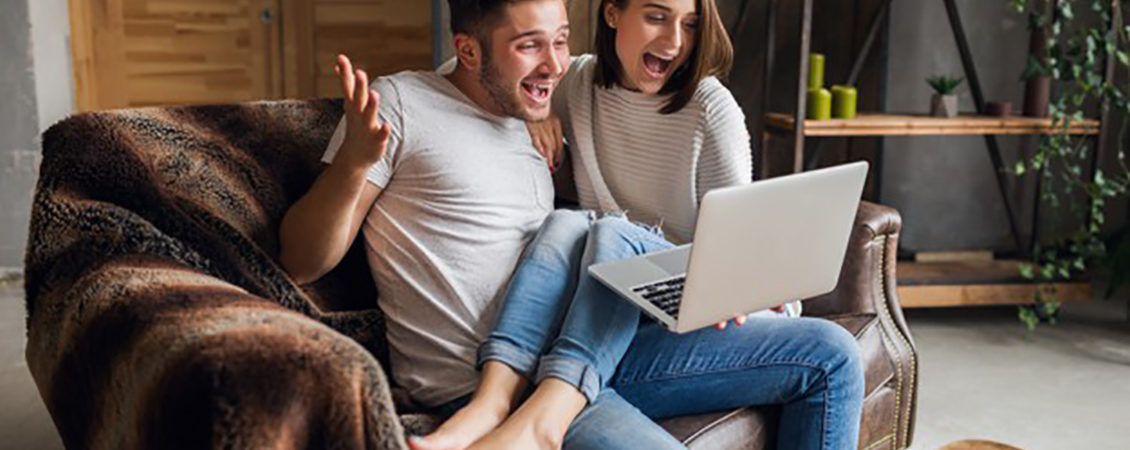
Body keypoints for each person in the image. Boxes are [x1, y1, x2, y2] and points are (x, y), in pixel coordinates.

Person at [416, 0, 865, 449]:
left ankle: (549, 406)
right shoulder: (576, 81)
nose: (674, 42)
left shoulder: (712, 111)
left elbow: (740, 252)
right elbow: (472, 70)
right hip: (600, 323)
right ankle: (529, 407)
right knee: (576, 226)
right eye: (655, 17)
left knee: (835, 351)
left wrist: (746, 290)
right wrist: (536, 114)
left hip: (684, 318)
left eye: (690, 24)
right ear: (612, 13)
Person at [279, 0, 569, 422]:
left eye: (561, 41)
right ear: (467, 52)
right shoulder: (401, 103)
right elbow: (301, 262)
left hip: (567, 367)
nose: (556, 65)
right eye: (530, 46)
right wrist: (354, 164)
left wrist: (536, 103)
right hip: (474, 386)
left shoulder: (523, 112)